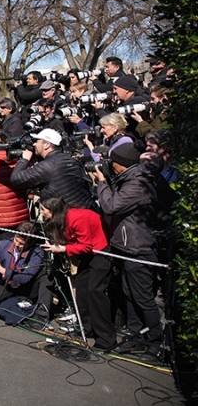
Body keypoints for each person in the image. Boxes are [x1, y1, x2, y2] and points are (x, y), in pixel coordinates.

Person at [92, 143, 162, 358]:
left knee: (142, 298)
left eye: (113, 163)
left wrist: (102, 183)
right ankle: (135, 336)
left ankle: (155, 344)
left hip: (138, 247)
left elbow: (111, 206)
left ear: (122, 164)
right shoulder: (129, 179)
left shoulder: (137, 184)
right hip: (127, 245)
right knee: (129, 294)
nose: (110, 166)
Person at [39, 196, 116, 351]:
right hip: (87, 253)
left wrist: (63, 249)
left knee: (95, 291)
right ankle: (86, 328)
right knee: (81, 289)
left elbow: (86, 245)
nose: (41, 213)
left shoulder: (76, 217)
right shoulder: (62, 219)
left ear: (52, 209)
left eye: (43, 209)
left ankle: (106, 338)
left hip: (100, 250)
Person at [10, 128, 95, 210]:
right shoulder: (67, 159)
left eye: (37, 141)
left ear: (47, 145)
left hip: (65, 214)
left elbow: (16, 179)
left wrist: (25, 159)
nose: (34, 144)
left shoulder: (48, 165)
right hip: (82, 208)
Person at [0, 222, 45, 308]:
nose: (16, 244)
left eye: (21, 244)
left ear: (30, 243)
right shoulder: (3, 244)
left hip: (25, 287)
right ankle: (17, 304)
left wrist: (1, 269)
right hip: (5, 284)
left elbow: (25, 277)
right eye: (16, 240)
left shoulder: (37, 252)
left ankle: (26, 304)